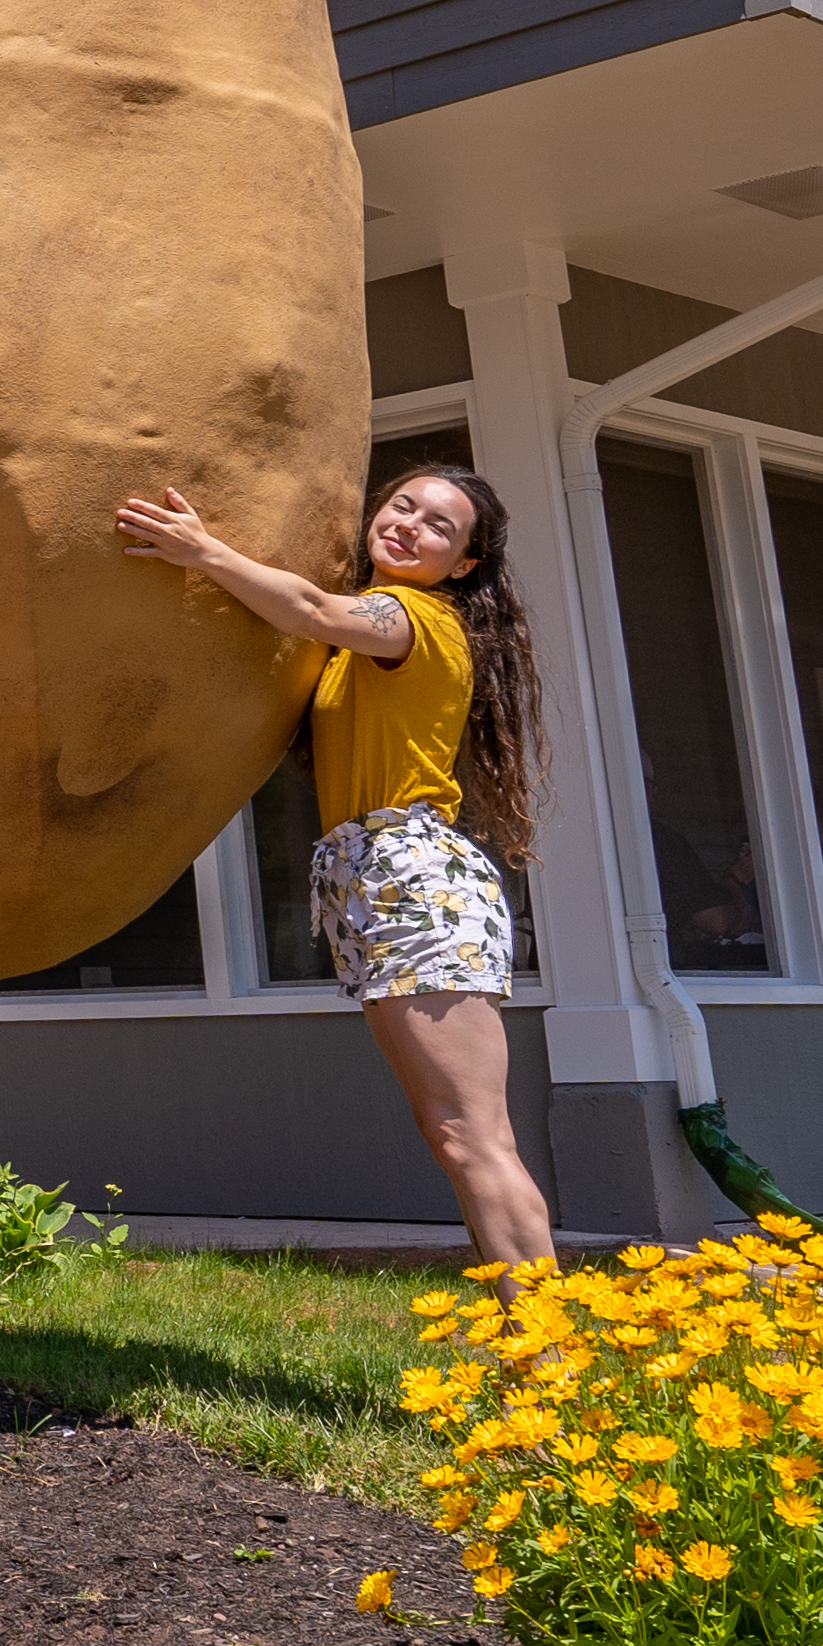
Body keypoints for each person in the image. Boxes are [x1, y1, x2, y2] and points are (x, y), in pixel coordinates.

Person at [111, 463, 556, 1275]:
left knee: (474, 1137)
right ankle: (534, 1352)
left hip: (414, 881)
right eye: (403, 505)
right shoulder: (372, 633)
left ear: (462, 565)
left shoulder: (413, 615)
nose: (410, 525)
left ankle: (554, 1365)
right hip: (379, 883)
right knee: (455, 1135)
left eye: (439, 528)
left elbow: (314, 607)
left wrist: (204, 551)